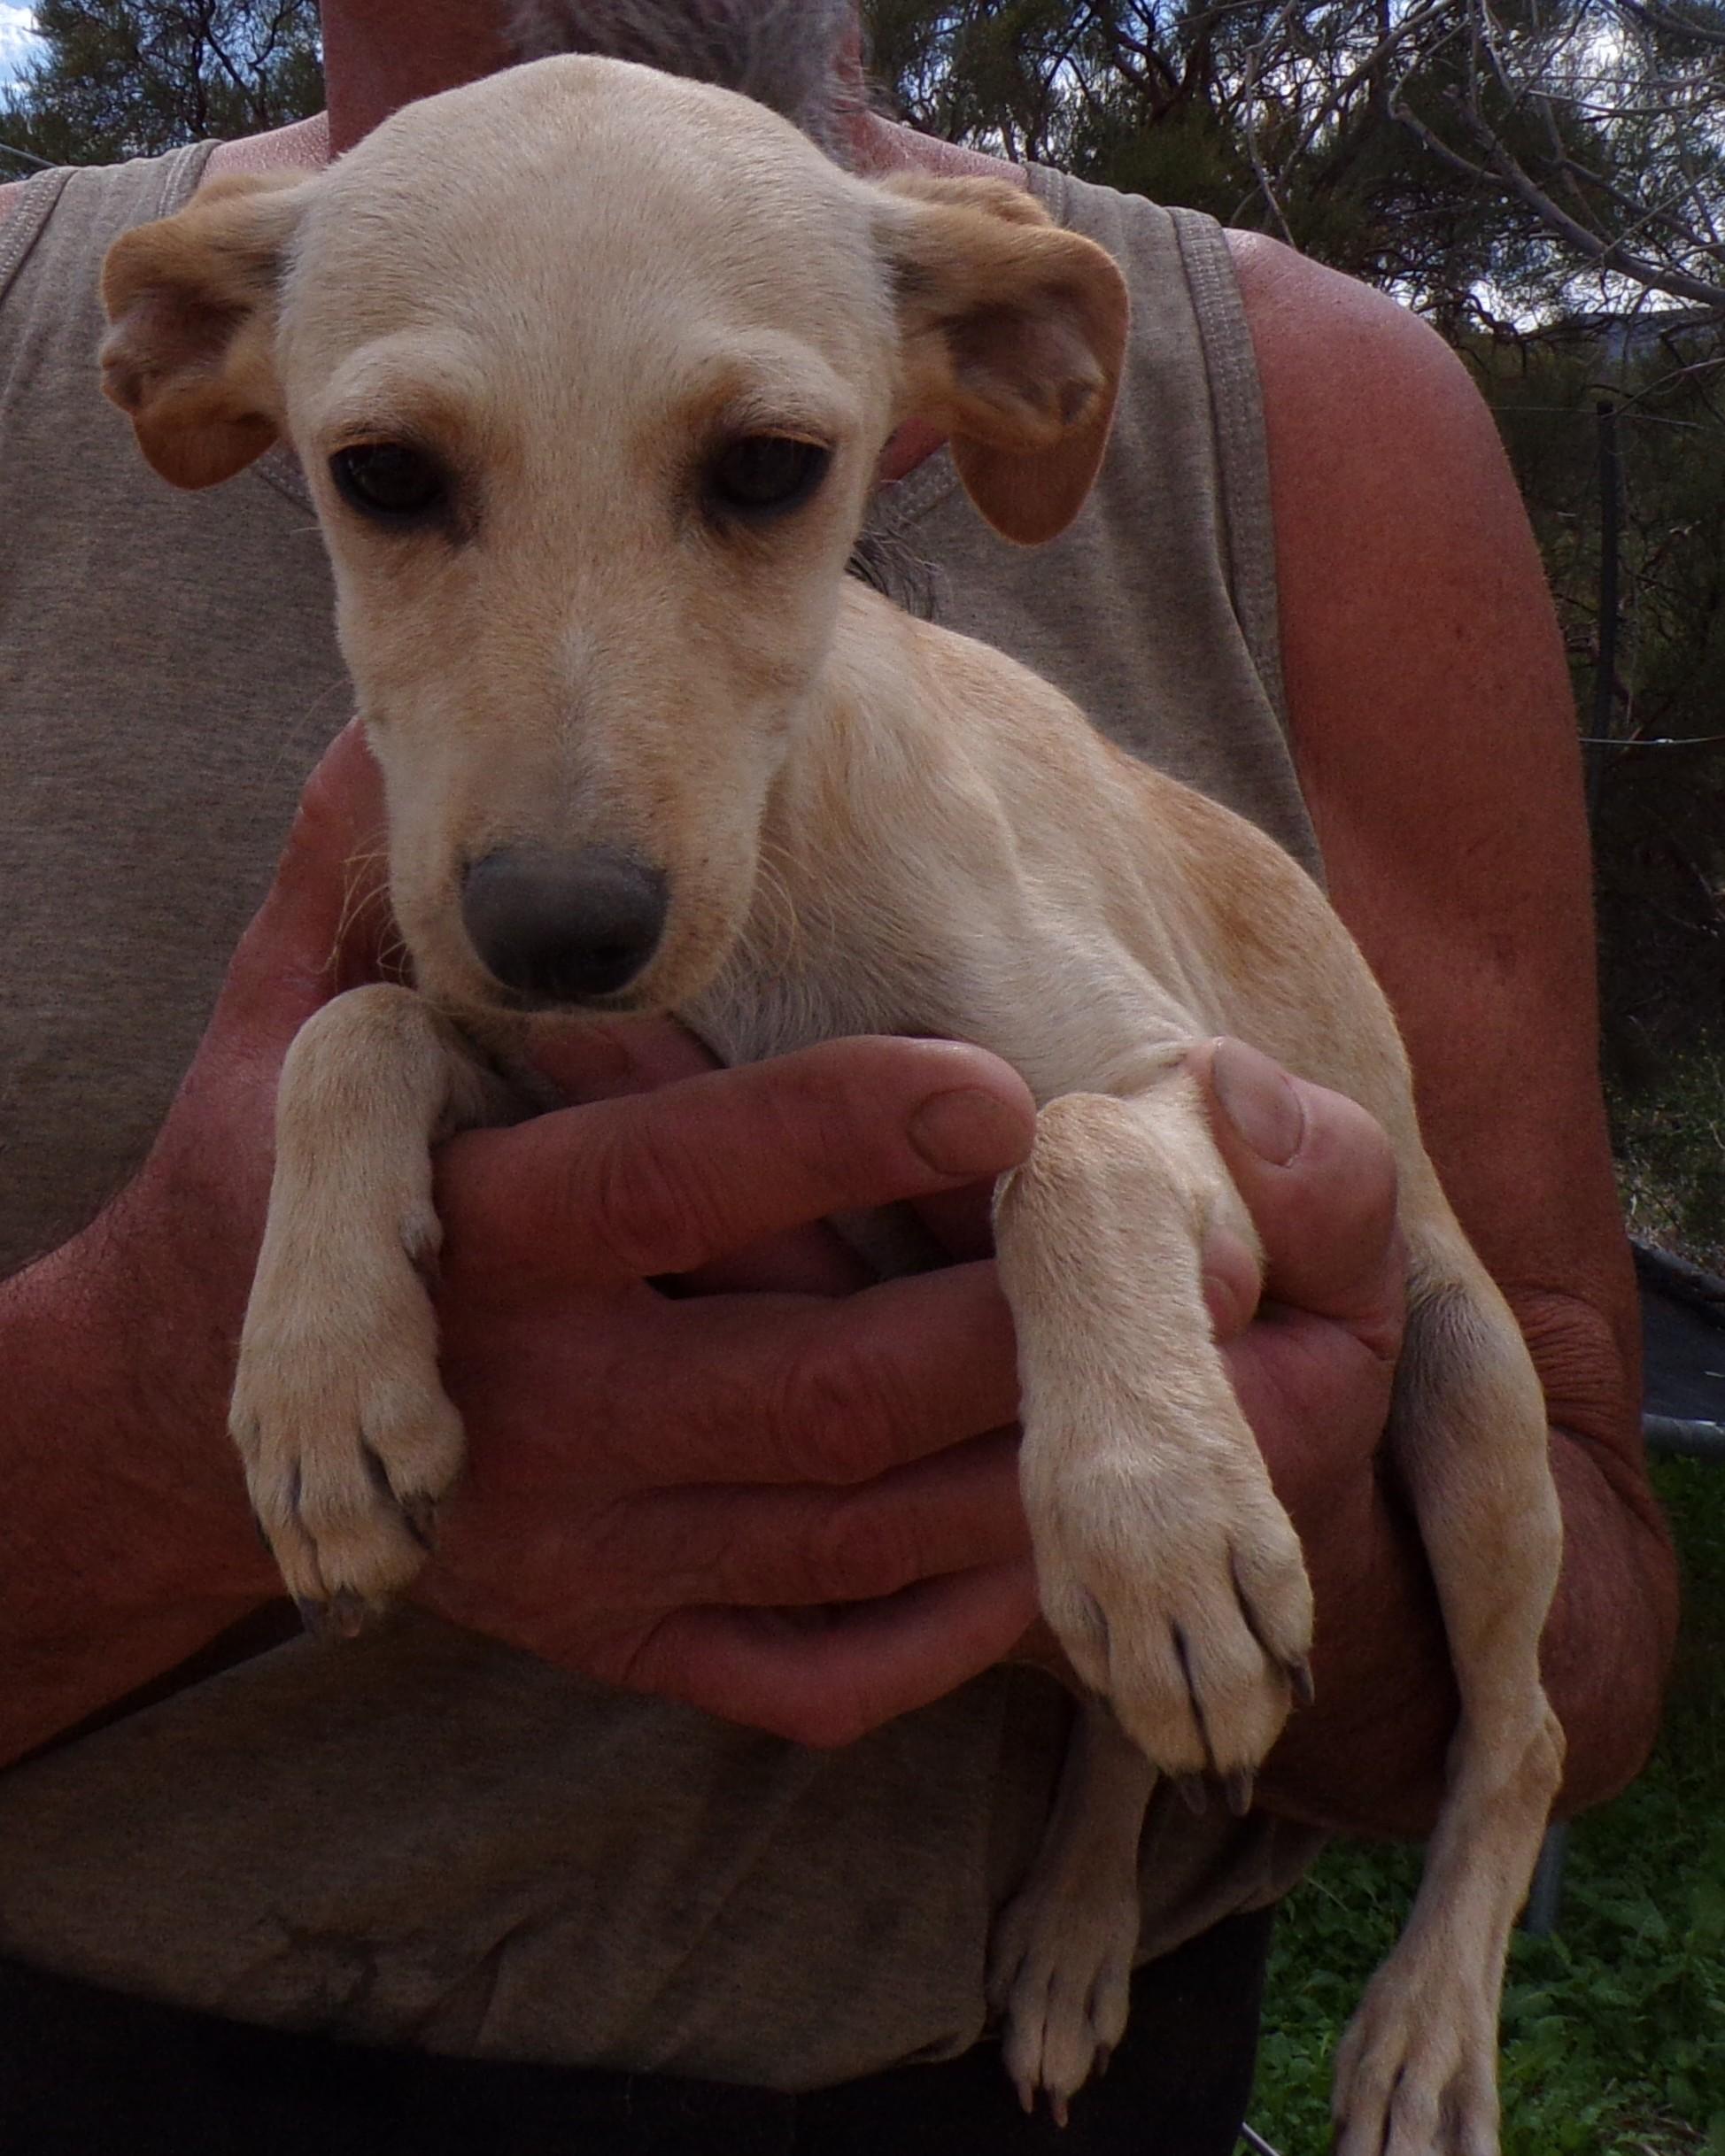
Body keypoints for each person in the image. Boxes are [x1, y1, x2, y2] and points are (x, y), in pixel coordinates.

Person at [0, 3, 1677, 2150]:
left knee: (1219, 1251)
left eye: (755, 473)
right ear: (208, 366)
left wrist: (1216, 1460)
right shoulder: (105, 302)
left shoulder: (1290, 402)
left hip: (1004, 2087)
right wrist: (161, 1399)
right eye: (403, 480)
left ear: (962, 384)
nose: (568, 841)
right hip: (83, 2052)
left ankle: (1451, 1891)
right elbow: (422, 1048)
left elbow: (1552, 1477)